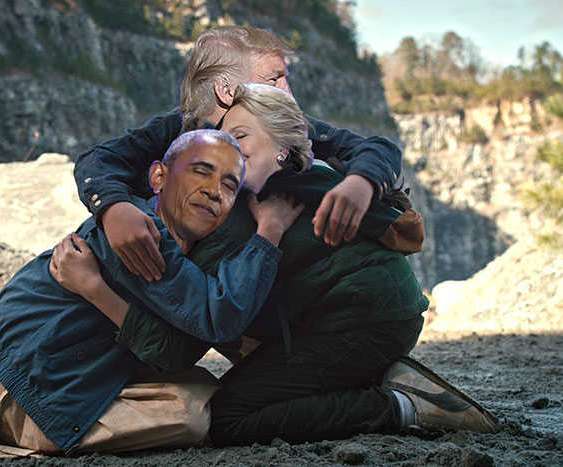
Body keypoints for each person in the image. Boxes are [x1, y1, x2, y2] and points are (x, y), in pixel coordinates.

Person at [55, 82, 501, 446]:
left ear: (283, 149)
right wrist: (113, 205)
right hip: (357, 317)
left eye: (241, 137)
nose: (228, 148)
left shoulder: (256, 206)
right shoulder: (262, 189)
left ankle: (404, 406)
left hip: (369, 323)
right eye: (222, 140)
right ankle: (372, 374)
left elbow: (186, 340)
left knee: (230, 417)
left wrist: (96, 288)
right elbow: (104, 159)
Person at [0, 129, 306, 463]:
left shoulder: (172, 242)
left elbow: (177, 351)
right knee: (196, 413)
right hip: (21, 390)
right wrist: (269, 231)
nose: (214, 191)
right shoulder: (141, 235)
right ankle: (24, 432)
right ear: (159, 177)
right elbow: (218, 317)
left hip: (42, 367)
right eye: (201, 171)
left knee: (200, 383)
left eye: (229, 185)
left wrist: (97, 291)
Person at [74, 25, 406, 283]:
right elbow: (98, 160)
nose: (287, 92)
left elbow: (375, 147)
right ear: (226, 90)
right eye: (274, 80)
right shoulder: (172, 131)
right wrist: (114, 209)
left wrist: (361, 183)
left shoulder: (279, 124)